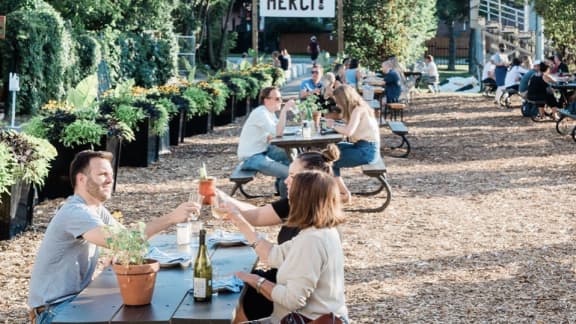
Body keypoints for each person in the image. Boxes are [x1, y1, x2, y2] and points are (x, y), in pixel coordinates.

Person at [27, 150, 198, 324]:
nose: (110, 180)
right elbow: (125, 241)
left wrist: (120, 254)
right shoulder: (75, 211)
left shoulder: (96, 209)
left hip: (76, 301)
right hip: (54, 311)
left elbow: (128, 244)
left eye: (111, 174)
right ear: (81, 179)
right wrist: (171, 218)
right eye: (102, 174)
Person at [220, 145, 341, 322]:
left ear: (306, 193)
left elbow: (293, 300)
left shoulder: (312, 240)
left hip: (304, 319)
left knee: (236, 300)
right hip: (298, 314)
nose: (286, 182)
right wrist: (239, 221)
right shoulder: (317, 229)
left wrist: (256, 281)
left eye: (293, 179)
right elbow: (274, 256)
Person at [237, 86, 296, 197]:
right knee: (290, 173)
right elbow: (278, 132)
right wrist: (284, 111)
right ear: (266, 100)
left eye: (281, 98)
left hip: (263, 150)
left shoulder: (269, 112)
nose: (281, 101)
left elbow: (276, 132)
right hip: (251, 157)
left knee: (291, 154)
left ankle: (281, 187)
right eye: (277, 99)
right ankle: (285, 204)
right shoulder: (261, 113)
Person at [326, 85, 380, 202]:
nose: (337, 105)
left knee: (330, 159)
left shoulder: (358, 110)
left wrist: (333, 125)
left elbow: (349, 132)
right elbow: (349, 128)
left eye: (338, 102)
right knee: (332, 150)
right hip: (364, 147)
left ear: (344, 99)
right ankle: (337, 190)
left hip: (367, 151)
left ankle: (344, 194)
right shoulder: (359, 107)